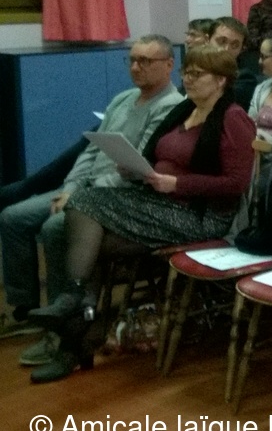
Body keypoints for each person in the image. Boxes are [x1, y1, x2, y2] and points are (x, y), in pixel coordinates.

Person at [27, 45, 257, 383]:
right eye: (186, 72)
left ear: (221, 80)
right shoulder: (184, 109)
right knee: (87, 243)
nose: (188, 79)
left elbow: (236, 184)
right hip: (157, 203)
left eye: (197, 74)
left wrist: (177, 183)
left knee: (85, 201)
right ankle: (77, 341)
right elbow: (156, 157)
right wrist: (135, 169)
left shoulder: (233, 118)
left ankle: (73, 302)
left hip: (199, 216)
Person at [0, 36, 182, 365]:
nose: (135, 67)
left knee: (56, 227)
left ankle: (62, 327)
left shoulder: (169, 107)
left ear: (169, 65)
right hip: (84, 186)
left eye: (145, 61)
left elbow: (138, 168)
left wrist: (80, 196)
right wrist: (71, 187)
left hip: (117, 196)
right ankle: (26, 308)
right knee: (14, 217)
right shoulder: (122, 99)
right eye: (132, 60)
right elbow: (90, 151)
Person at [210, 16, 257, 109]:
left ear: (241, 49)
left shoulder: (244, 78)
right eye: (221, 41)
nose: (226, 49)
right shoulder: (195, 69)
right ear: (207, 40)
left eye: (235, 45)